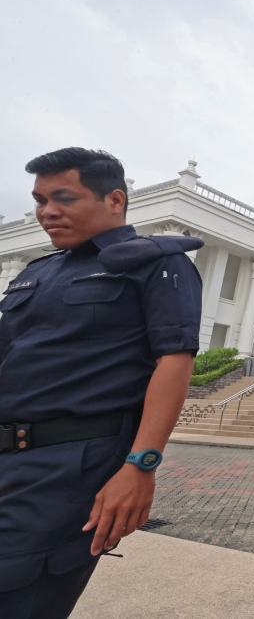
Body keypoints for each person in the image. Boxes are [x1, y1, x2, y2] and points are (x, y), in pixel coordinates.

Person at [0, 148, 203, 618]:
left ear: (114, 200)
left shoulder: (158, 264)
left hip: (68, 467)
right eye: (40, 200)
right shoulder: (35, 272)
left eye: (64, 198)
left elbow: (174, 363)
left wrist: (141, 465)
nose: (47, 211)